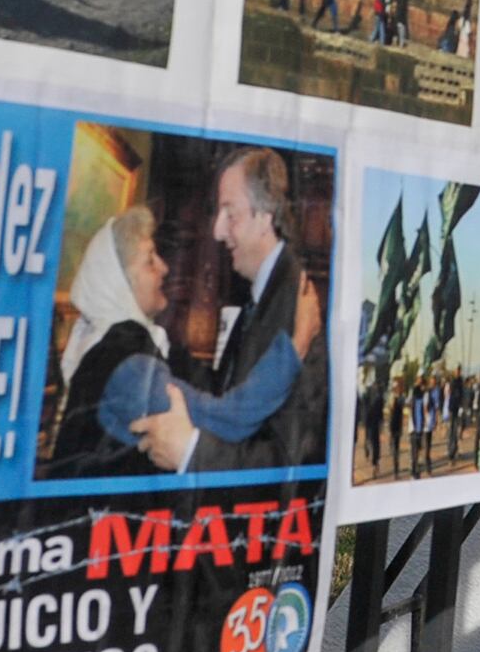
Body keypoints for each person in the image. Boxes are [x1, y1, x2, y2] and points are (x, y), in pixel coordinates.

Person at [128, 150, 329, 474]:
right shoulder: (262, 297)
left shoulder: (297, 307)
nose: (217, 231)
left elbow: (292, 463)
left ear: (265, 216)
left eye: (230, 213)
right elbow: (227, 398)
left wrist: (192, 453)